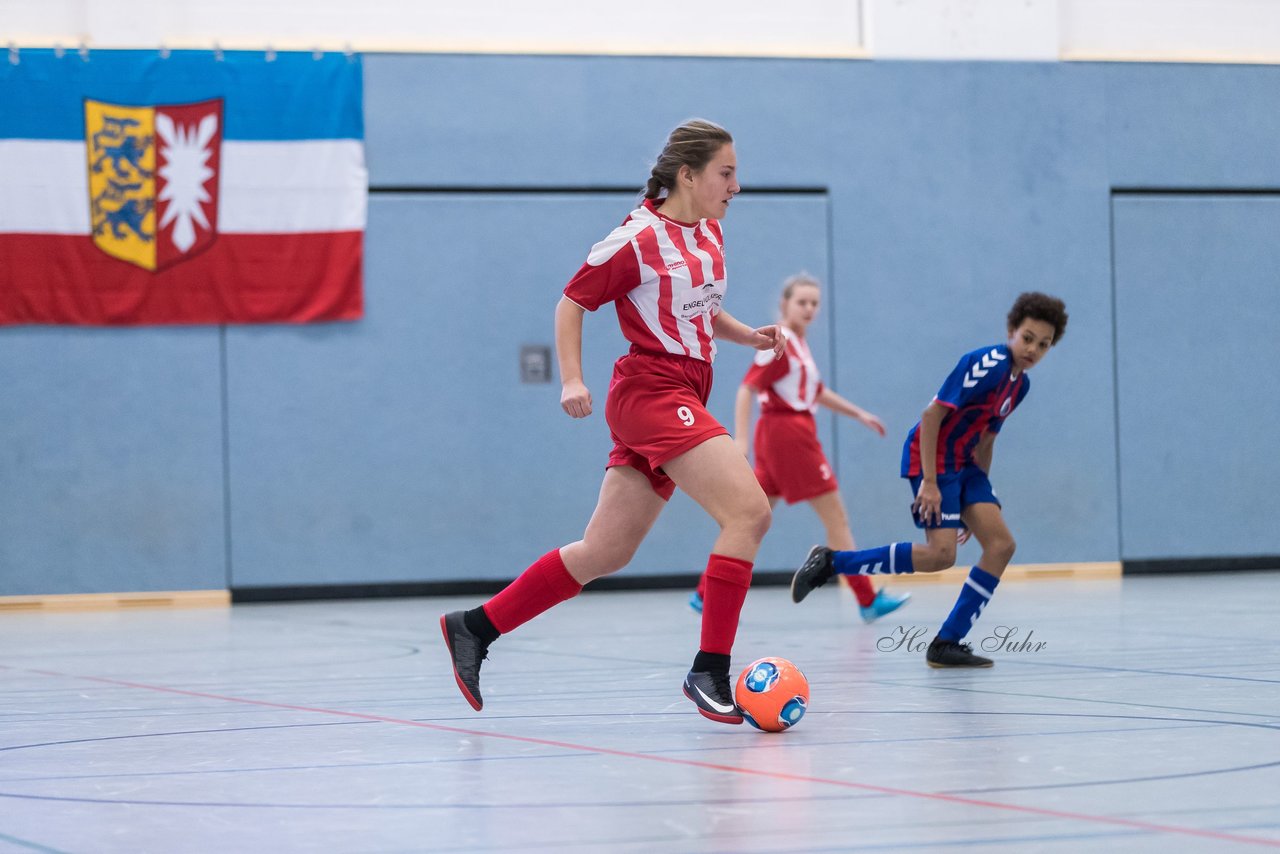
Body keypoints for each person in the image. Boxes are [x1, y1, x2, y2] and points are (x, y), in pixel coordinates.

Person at [440, 119, 785, 725]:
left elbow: (701, 307)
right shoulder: (635, 239)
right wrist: (572, 378)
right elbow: (572, 301)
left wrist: (747, 335)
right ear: (688, 175)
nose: (737, 186)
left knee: (605, 551)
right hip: (651, 391)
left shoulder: (708, 233)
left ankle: (474, 627)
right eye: (726, 174)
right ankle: (710, 668)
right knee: (749, 512)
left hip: (685, 389)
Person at [789, 292, 1069, 667]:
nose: (1033, 349)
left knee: (1001, 545)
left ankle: (946, 644)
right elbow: (931, 415)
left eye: (1044, 344)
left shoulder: (1020, 386)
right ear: (1011, 331)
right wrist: (932, 483)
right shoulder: (987, 364)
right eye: (1028, 338)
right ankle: (832, 562)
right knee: (940, 555)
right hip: (933, 459)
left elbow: (987, 440)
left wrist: (977, 504)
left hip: (966, 465)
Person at [689, 273, 909, 623]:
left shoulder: (799, 344)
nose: (808, 309)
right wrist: (740, 440)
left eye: (814, 303)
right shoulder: (782, 341)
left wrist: (859, 414)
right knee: (836, 518)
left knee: (751, 517)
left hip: (782, 436)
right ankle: (867, 599)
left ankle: (705, 594)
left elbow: (815, 391)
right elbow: (747, 389)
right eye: (801, 302)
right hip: (789, 436)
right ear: (784, 305)